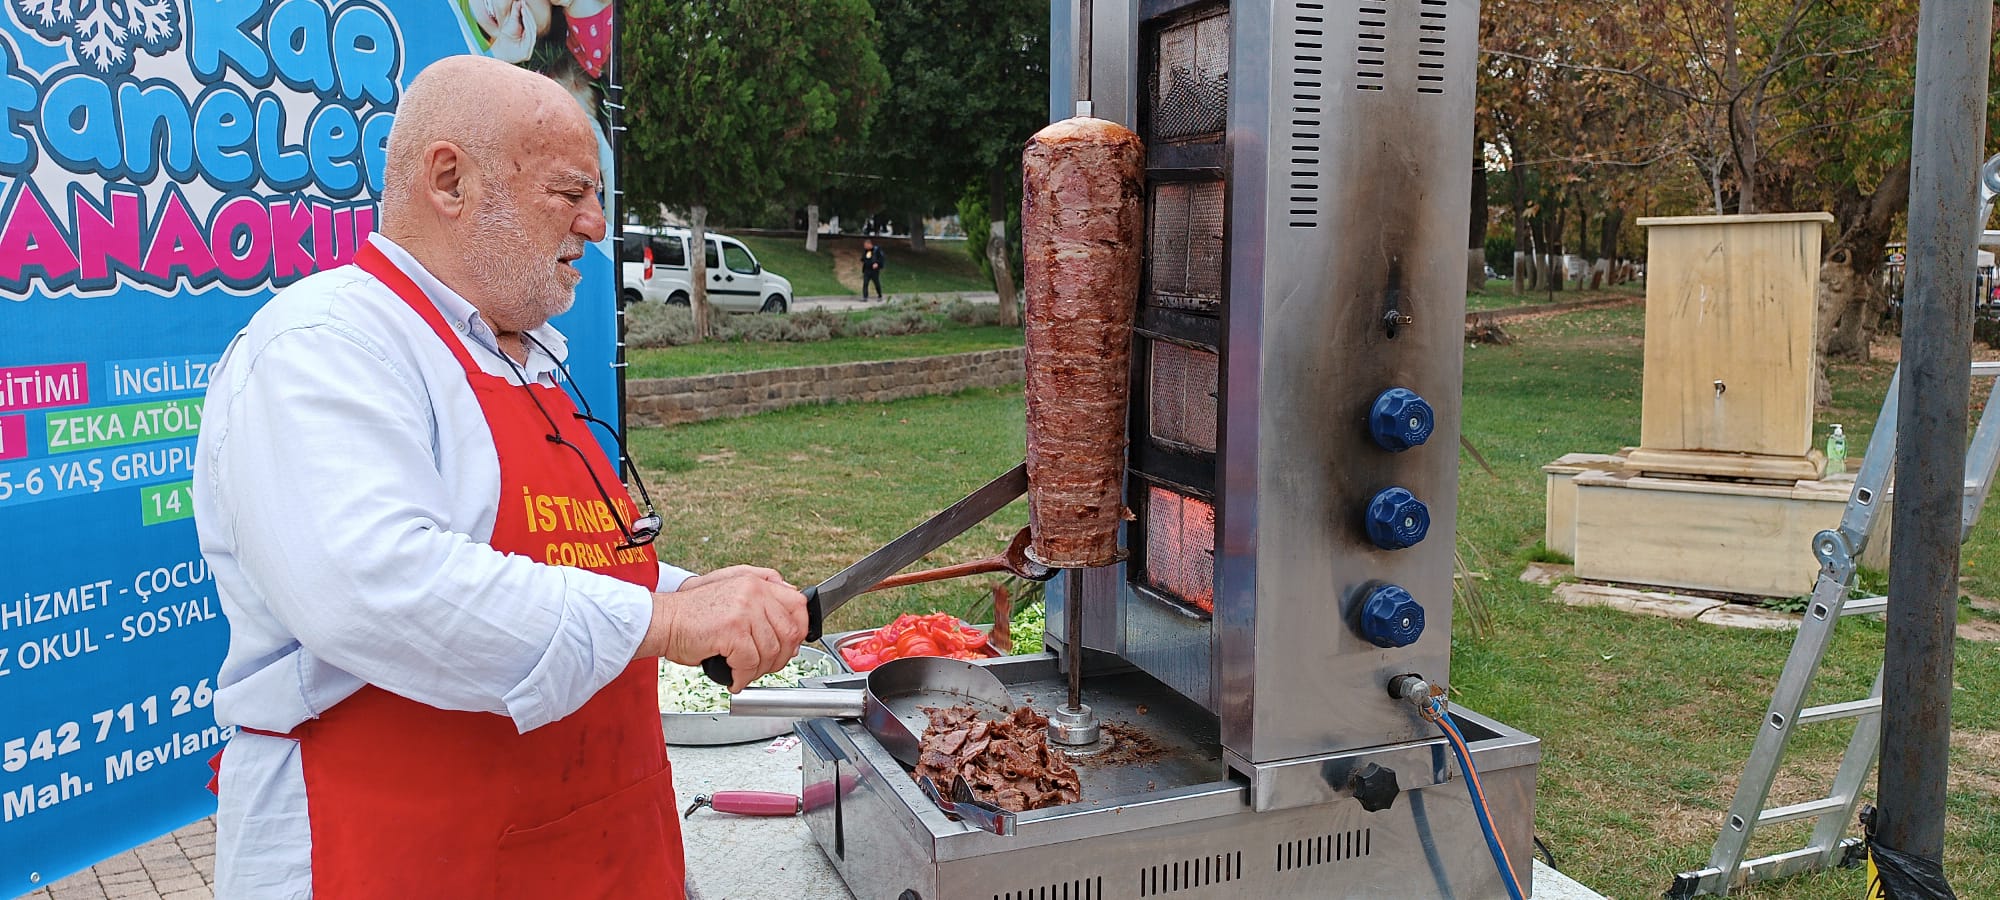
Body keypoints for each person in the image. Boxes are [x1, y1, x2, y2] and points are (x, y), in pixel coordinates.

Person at [192, 55, 810, 899]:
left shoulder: (526, 358)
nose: (598, 225)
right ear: (450, 180)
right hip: (400, 856)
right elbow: (375, 586)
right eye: (571, 192)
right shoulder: (323, 345)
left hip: (596, 841)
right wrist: (663, 619)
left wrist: (700, 593)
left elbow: (568, 564)